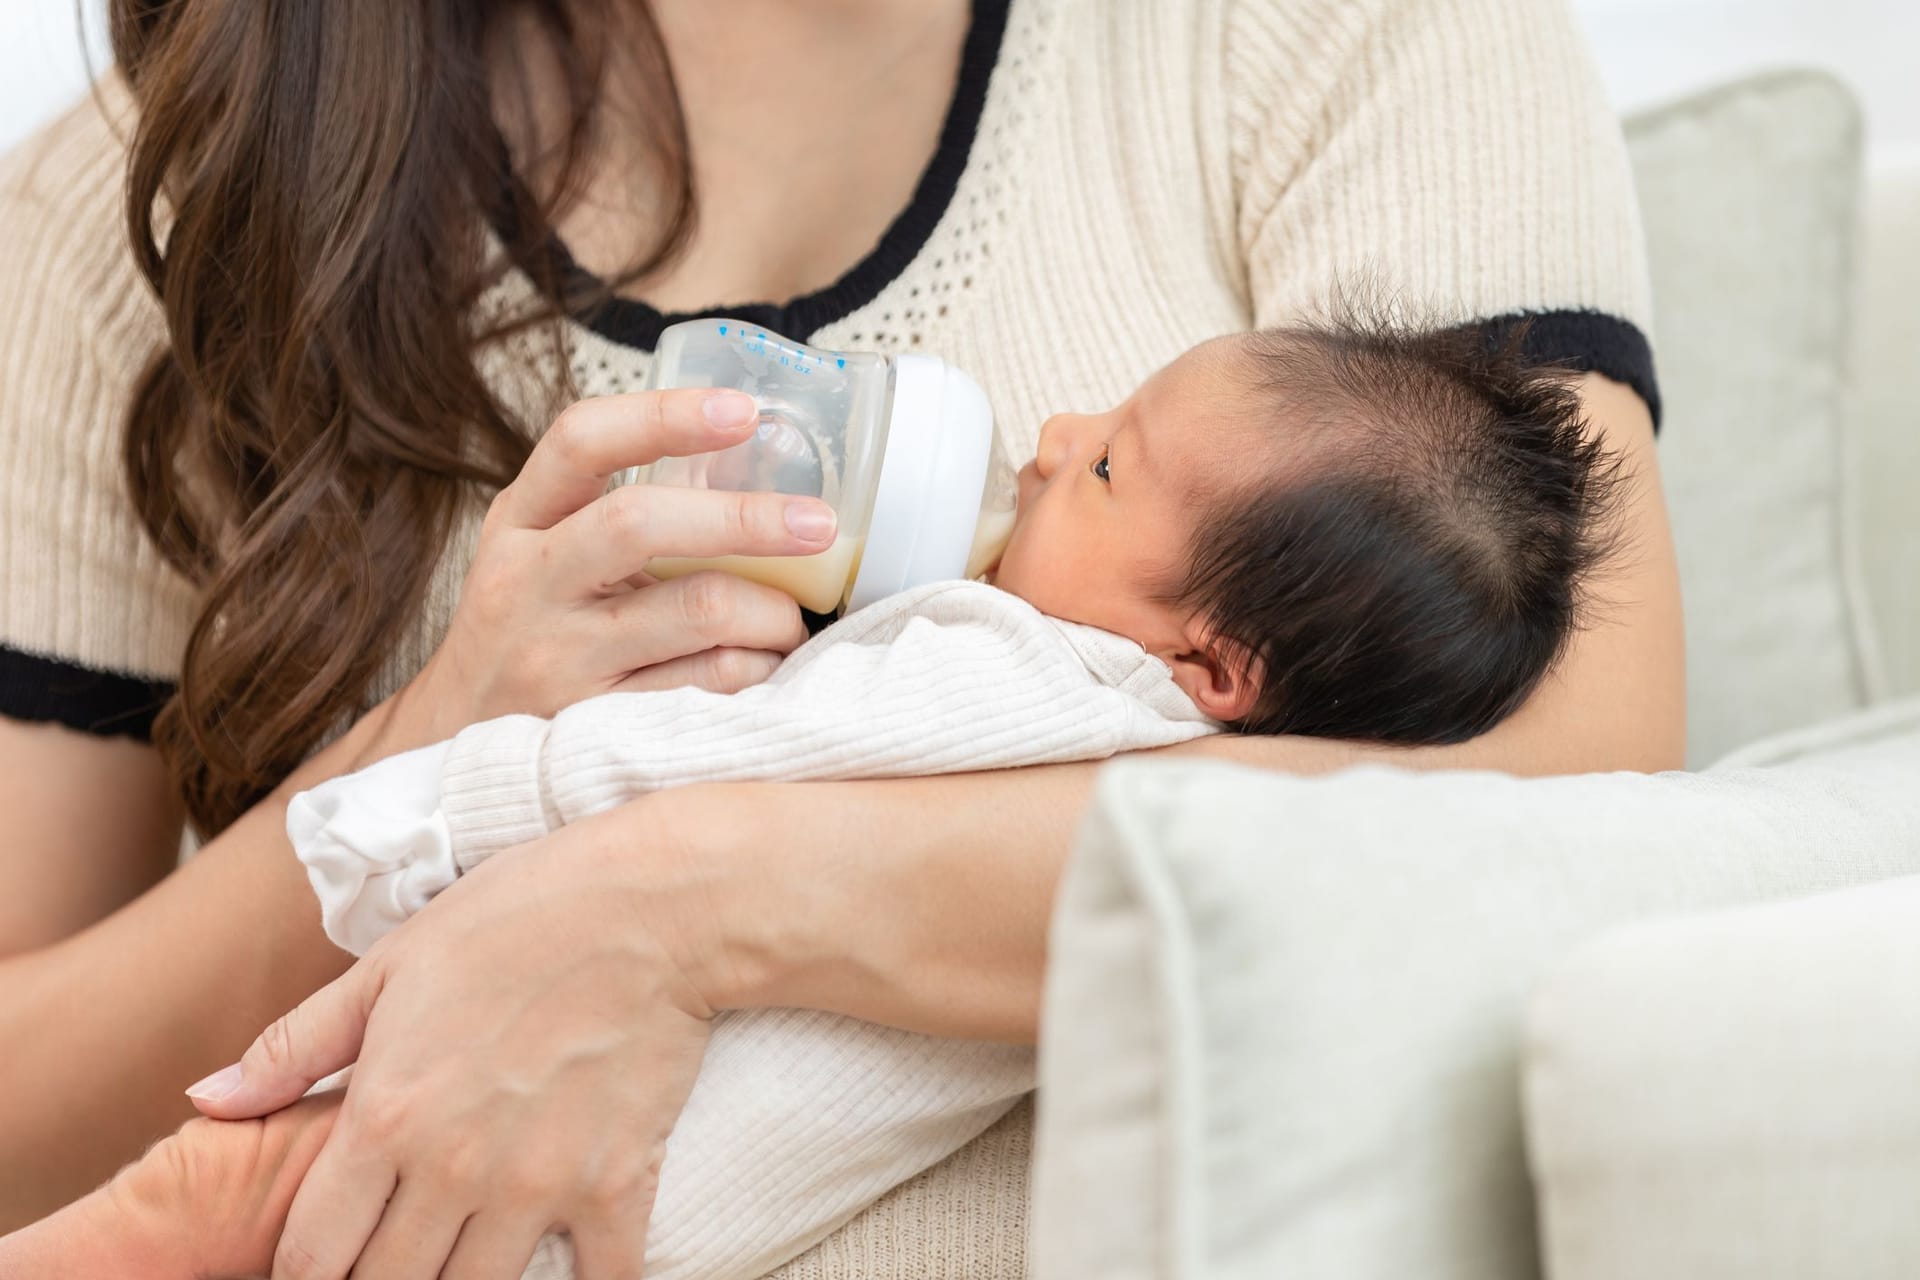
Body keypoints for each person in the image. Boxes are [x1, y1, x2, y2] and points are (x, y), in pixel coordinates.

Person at [0, 0, 1684, 1275]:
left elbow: (1565, 789)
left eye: (1109, 459)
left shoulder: (1314, 37)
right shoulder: (174, 184)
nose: (1049, 449)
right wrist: (442, 735)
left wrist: (669, 905)